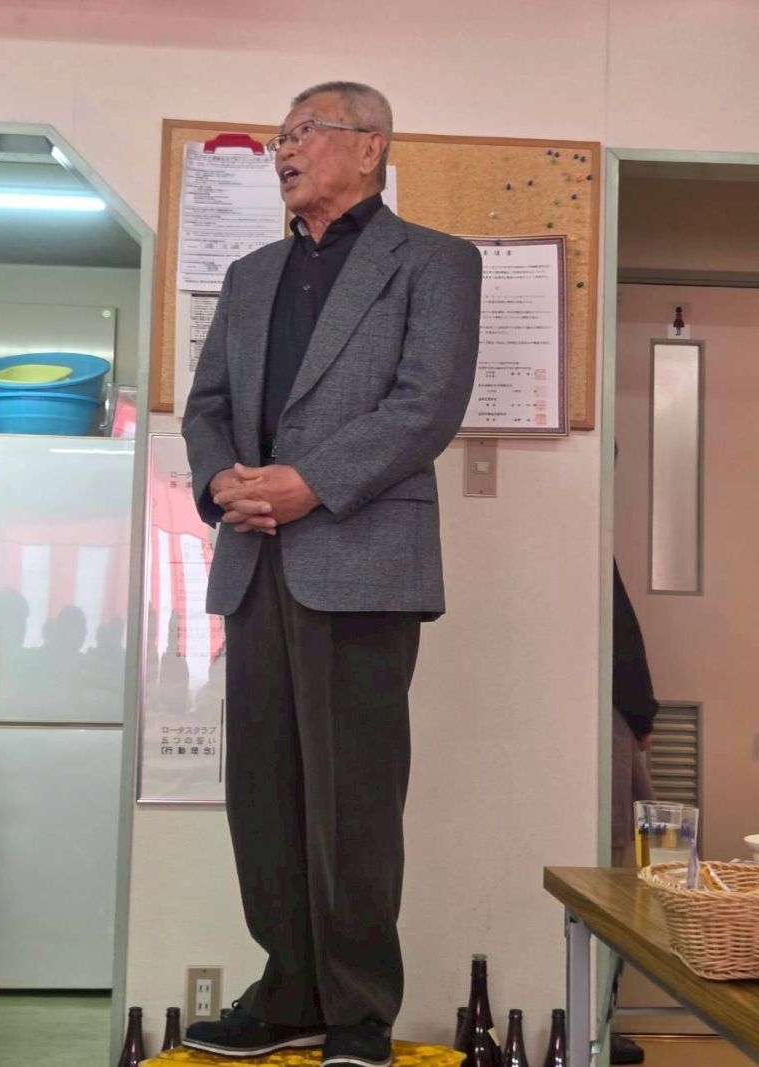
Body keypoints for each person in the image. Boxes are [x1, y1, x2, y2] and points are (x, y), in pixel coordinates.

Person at [181, 82, 482, 1066]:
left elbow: (425, 403)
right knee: (262, 790)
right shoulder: (250, 274)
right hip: (254, 555)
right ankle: (287, 994)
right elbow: (207, 405)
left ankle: (357, 1008)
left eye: (303, 131)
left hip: (360, 557)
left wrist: (311, 482)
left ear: (370, 146)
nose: (284, 150)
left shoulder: (434, 261)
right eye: (280, 136)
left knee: (352, 795)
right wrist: (219, 479)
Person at [610, 558, 658, 1066]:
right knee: (610, 874)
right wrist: (642, 711)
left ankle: (602, 1018)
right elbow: (622, 638)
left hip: (612, 713)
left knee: (623, 869)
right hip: (610, 715)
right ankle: (599, 1020)